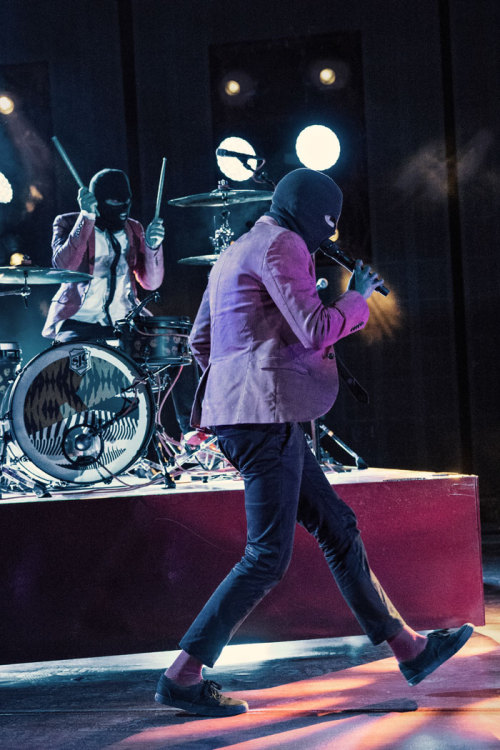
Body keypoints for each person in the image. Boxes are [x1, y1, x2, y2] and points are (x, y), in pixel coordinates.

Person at [154, 168, 473, 717]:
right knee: (266, 556)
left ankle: (410, 650)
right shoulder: (282, 247)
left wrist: (237, 391)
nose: (328, 238)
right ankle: (182, 676)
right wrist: (359, 297)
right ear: (314, 215)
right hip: (264, 418)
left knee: (336, 525)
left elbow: (202, 341)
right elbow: (316, 328)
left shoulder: (239, 248)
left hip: (252, 415)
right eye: (328, 225)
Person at [42, 168, 197, 438]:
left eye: (125, 204)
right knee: (68, 372)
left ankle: (192, 432)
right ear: (98, 202)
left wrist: (152, 246)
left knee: (180, 350)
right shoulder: (67, 222)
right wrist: (86, 218)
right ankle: (71, 435)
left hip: (126, 321)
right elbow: (63, 265)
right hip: (80, 321)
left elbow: (151, 283)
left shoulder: (133, 228)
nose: (121, 211)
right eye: (113, 205)